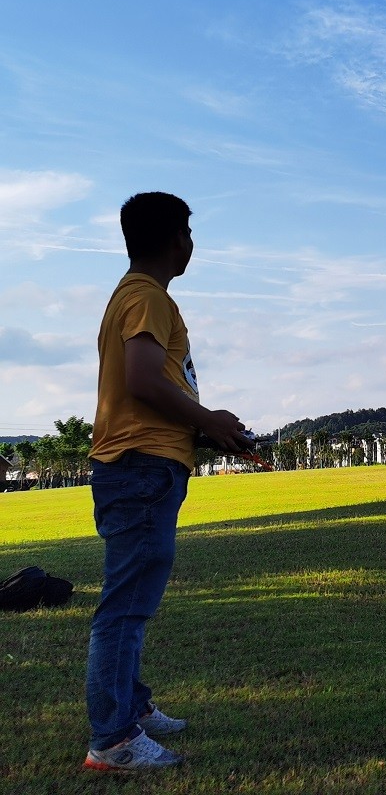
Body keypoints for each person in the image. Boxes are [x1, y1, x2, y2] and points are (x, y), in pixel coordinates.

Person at [83, 192, 254, 772]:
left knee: (131, 599)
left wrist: (206, 430)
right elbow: (141, 381)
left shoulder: (133, 297)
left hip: (140, 462)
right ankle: (114, 740)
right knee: (126, 606)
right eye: (187, 229)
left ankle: (131, 704)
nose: (192, 241)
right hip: (141, 466)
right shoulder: (148, 299)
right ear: (173, 239)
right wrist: (207, 420)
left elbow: (153, 387)